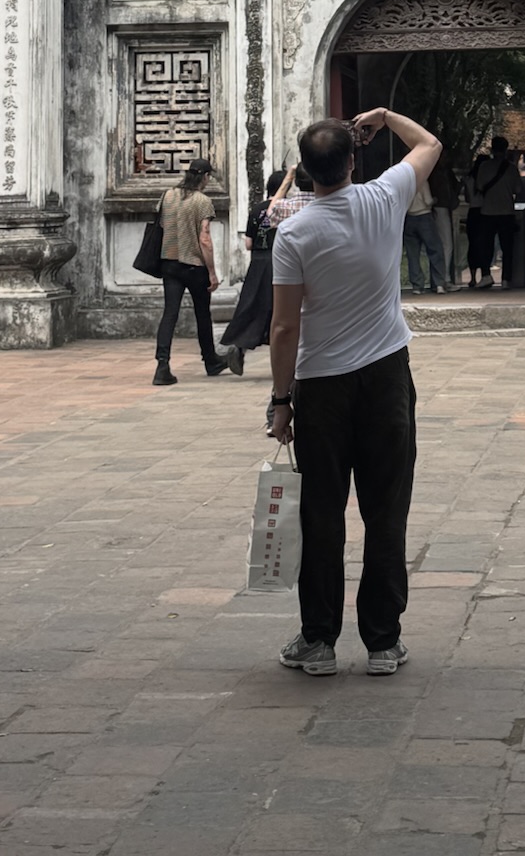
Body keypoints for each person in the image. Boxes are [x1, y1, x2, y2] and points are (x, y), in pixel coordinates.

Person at [269, 106, 441, 678]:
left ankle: (319, 640)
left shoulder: (293, 232)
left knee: (322, 513)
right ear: (351, 160)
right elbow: (429, 144)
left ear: (306, 168)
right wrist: (388, 115)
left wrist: (280, 398)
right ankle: (383, 641)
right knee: (386, 510)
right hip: (387, 377)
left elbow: (285, 326)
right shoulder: (383, 197)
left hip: (321, 386)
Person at [152, 157, 228, 386]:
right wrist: (212, 272)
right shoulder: (202, 201)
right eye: (209, 177)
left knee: (170, 313)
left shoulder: (168, 196)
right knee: (202, 314)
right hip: (194, 265)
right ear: (205, 177)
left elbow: (161, 223)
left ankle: (162, 364)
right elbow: (204, 238)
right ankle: (211, 360)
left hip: (169, 262)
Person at [219, 168, 286, 376]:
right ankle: (282, 362)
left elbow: (248, 243)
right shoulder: (286, 209)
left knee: (251, 307)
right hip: (279, 263)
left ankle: (239, 345)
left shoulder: (256, 209)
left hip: (257, 264)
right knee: (280, 310)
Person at [467, 137, 518, 289]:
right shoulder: (512, 168)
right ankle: (506, 279)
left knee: (486, 246)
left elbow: (480, 186)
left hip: (488, 212)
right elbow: (518, 189)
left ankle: (486, 275)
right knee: (507, 248)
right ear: (506, 149)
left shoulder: (484, 167)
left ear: (492, 149)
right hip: (506, 211)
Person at [403, 172, 447, 293]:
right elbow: (427, 201)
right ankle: (438, 284)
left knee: (413, 254)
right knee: (435, 250)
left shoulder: (405, 184)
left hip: (409, 218)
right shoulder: (422, 181)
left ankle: (417, 285)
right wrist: (435, 200)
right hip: (424, 216)